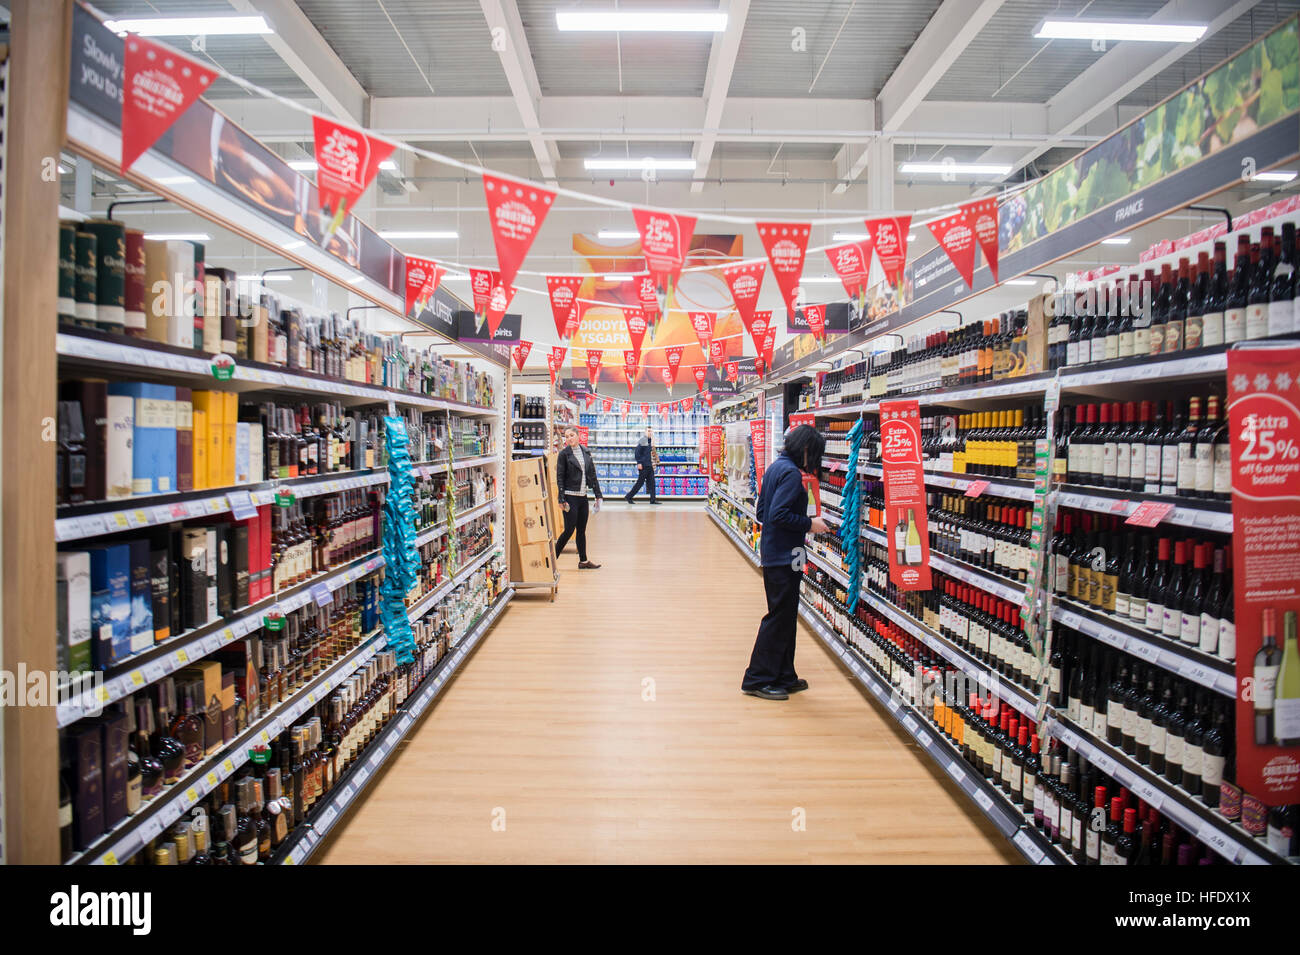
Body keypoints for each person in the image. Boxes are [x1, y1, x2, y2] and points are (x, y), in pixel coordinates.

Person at [741, 424, 827, 700]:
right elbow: (777, 515)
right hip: (785, 556)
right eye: (814, 453)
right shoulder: (790, 473)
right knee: (779, 616)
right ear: (805, 449)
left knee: (788, 615)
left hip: (778, 552)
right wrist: (809, 524)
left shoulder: (776, 467)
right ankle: (757, 679)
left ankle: (783, 674)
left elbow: (762, 511)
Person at [555, 427, 603, 569]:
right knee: (569, 530)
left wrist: (598, 495)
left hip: (582, 498)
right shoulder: (564, 454)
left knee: (581, 530)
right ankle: (551, 560)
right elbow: (560, 477)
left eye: (571, 435)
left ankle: (583, 561)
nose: (569, 438)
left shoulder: (586, 452)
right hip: (570, 498)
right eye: (566, 436)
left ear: (578, 436)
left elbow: (592, 475)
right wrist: (561, 498)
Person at [624, 427, 659, 504]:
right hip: (643, 466)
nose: (650, 432)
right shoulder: (643, 440)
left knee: (652, 483)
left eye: (651, 431)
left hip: (649, 465)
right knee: (640, 483)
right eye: (648, 431)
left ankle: (652, 500)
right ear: (645, 432)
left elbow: (650, 453)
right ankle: (629, 496)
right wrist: (639, 462)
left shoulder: (650, 441)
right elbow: (637, 452)